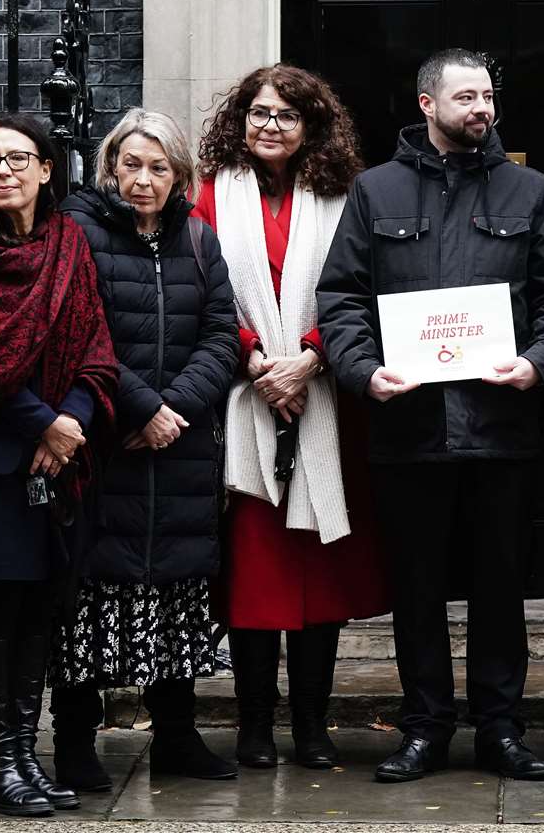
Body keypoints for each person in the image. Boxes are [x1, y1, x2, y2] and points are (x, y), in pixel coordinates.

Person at [317, 48, 544, 784]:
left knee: (501, 589)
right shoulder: (376, 192)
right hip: (410, 430)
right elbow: (340, 298)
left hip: (502, 429)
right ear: (428, 104)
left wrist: (538, 362)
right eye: (467, 97)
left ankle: (501, 729)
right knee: (418, 591)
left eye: (490, 96)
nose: (483, 109)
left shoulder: (531, 190)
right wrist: (365, 372)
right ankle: (424, 729)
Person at [193, 65, 390, 772]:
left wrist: (309, 360)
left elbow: (362, 292)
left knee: (320, 572)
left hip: (326, 403)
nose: (268, 126)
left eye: (284, 116)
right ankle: (253, 725)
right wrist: (256, 364)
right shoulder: (210, 195)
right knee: (253, 571)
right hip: (246, 404)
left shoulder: (345, 198)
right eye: (257, 113)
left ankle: (311, 725)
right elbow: (203, 294)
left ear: (311, 128)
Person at [0, 116, 120, 816]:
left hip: (59, 461)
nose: (2, 171)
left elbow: (98, 345)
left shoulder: (71, 245)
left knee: (40, 610)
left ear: (48, 169)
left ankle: (22, 753)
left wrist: (71, 420)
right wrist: (45, 423)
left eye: (17, 159)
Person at [54, 107, 241, 785]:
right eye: (131, 164)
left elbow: (223, 333)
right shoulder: (79, 232)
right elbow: (78, 331)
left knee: (176, 595)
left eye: (159, 168)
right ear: (110, 167)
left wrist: (175, 408)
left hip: (180, 446)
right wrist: (141, 406)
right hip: (109, 441)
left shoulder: (197, 238)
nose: (143, 178)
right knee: (88, 600)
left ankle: (177, 738)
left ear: (179, 177)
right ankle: (74, 742)